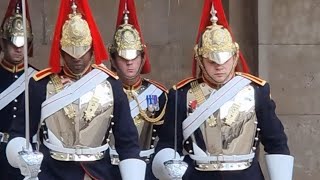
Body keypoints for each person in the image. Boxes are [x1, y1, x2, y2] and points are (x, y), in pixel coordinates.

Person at [152, 0, 294, 179]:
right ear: (200, 60)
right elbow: (168, 142)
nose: (219, 66)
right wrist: (168, 168)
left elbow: (276, 142)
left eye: (225, 59)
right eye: (212, 61)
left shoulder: (257, 91)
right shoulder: (182, 93)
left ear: (234, 57)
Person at [6, 0, 145, 179]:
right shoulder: (40, 85)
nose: (77, 58)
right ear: (62, 52)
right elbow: (20, 133)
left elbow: (128, 142)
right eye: (71, 53)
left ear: (92, 49)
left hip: (98, 172)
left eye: (83, 51)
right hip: (51, 171)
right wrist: (22, 158)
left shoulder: (112, 85)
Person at [108, 0, 168, 179]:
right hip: (108, 168)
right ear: (112, 60)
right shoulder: (104, 91)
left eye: (135, 57)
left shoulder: (158, 94)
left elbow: (166, 139)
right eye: (123, 57)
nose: (129, 62)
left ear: (142, 58)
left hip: (145, 169)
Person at [0, 0, 36, 179]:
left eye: (23, 44)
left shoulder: (37, 79)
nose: (18, 49)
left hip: (26, 155)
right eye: (13, 43)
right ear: (3, 43)